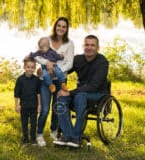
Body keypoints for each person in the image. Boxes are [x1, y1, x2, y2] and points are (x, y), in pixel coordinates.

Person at [53, 35, 109, 148]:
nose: (89, 47)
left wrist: (71, 92)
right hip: (80, 92)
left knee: (79, 96)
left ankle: (76, 138)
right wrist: (50, 68)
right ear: (83, 46)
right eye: (87, 44)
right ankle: (67, 136)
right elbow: (65, 70)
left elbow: (94, 85)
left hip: (98, 94)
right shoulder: (78, 59)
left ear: (98, 48)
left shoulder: (103, 62)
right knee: (61, 98)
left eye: (92, 45)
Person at [34, 17, 74, 146]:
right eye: (59, 25)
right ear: (55, 26)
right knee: (45, 109)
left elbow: (69, 63)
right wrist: (47, 64)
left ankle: (53, 131)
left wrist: (56, 70)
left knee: (57, 108)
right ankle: (39, 134)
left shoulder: (69, 43)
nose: (61, 28)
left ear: (66, 29)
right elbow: (38, 56)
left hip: (60, 80)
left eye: (64, 26)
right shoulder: (46, 40)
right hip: (46, 80)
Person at [14, 57, 41, 146]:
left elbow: (38, 93)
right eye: (28, 67)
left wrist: (39, 105)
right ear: (24, 67)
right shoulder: (20, 79)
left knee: (34, 124)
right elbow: (16, 94)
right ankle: (25, 139)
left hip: (34, 106)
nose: (30, 69)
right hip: (24, 106)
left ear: (34, 68)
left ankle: (33, 139)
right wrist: (16, 105)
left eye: (32, 67)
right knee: (24, 123)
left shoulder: (36, 80)